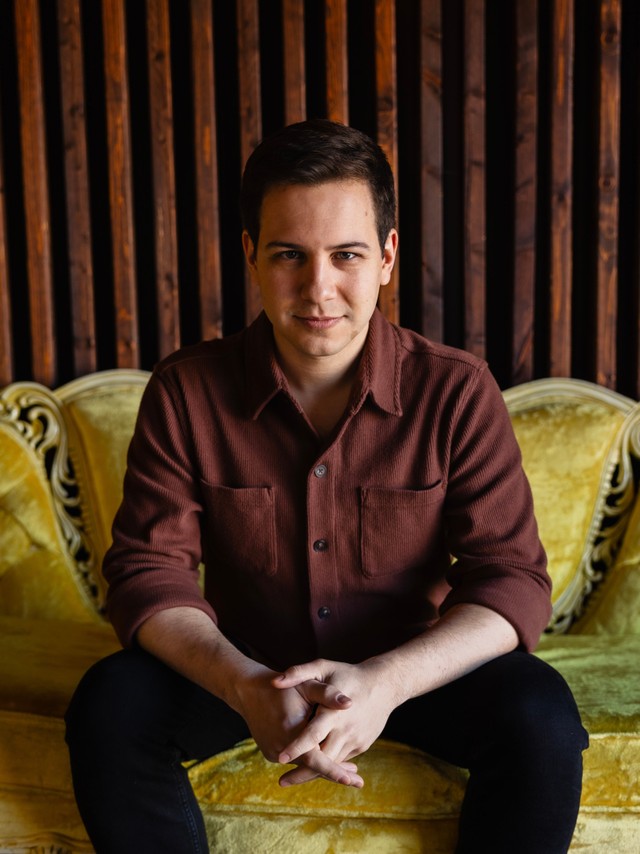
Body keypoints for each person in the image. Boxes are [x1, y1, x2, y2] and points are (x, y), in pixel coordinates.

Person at [65, 119, 587, 853]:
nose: (319, 289)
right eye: (289, 255)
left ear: (387, 257)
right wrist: (245, 685)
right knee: (109, 705)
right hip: (245, 671)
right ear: (251, 255)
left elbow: (512, 580)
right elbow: (147, 574)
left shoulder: (457, 392)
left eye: (347, 255)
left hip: (412, 672)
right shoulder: (186, 391)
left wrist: (386, 683)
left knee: (543, 717)